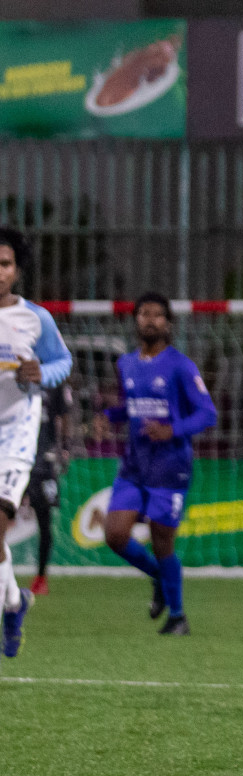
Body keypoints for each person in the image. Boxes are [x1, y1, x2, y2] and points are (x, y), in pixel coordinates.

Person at [102, 293, 218, 636]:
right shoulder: (126, 364)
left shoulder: (181, 366)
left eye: (157, 315)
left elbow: (207, 414)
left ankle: (178, 617)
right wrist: (109, 416)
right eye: (143, 314)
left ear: (168, 323)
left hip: (170, 466)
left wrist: (172, 429)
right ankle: (158, 577)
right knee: (115, 534)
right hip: (134, 465)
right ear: (135, 320)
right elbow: (133, 407)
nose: (150, 320)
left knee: (162, 540)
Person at [0, 227, 72, 655]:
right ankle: (14, 601)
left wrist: (42, 373)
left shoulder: (35, 318)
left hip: (17, 431)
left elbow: (63, 360)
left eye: (4, 263)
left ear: (17, 270)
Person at [27, 381, 73, 596]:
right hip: (15, 458)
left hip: (44, 463)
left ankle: (41, 577)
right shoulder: (11, 371)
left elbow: (64, 417)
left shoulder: (54, 381)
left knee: (44, 522)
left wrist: (65, 447)